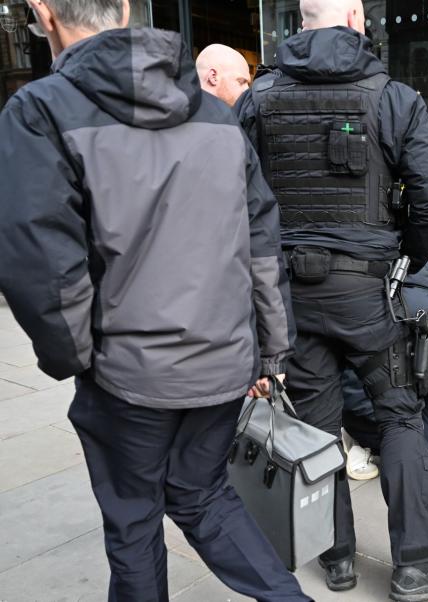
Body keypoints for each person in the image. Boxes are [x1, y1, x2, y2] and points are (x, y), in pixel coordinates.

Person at [0, 1, 308, 600]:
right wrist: (272, 349)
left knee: (136, 520)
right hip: (222, 363)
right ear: (120, 9)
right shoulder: (216, 119)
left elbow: (37, 258)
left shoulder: (40, 111)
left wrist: (80, 356)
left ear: (42, 12)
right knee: (201, 493)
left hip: (130, 376)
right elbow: (262, 246)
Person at [234, 1, 428, 599]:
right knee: (398, 416)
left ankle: (336, 558)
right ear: (350, 17)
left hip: (290, 296)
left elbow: (226, 202)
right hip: (366, 293)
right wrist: (402, 262)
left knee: (317, 426)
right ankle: (416, 565)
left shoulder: (257, 99)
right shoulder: (393, 97)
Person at [342, 235, 428, 486]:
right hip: (378, 408)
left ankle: (382, 436)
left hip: (357, 395)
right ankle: (367, 441)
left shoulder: (382, 283)